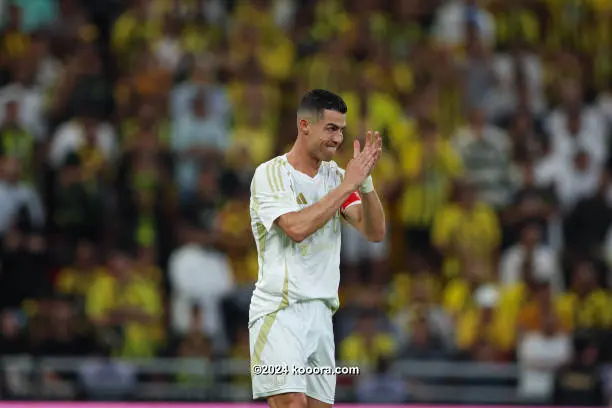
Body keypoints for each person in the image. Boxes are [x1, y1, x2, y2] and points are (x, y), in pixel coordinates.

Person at [248, 89, 386, 408]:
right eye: (331, 128)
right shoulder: (271, 174)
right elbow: (295, 228)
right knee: (293, 403)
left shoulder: (337, 178)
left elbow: (375, 231)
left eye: (341, 129)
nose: (338, 138)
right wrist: (347, 185)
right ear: (304, 125)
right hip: (280, 309)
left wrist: (364, 183)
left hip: (322, 314)